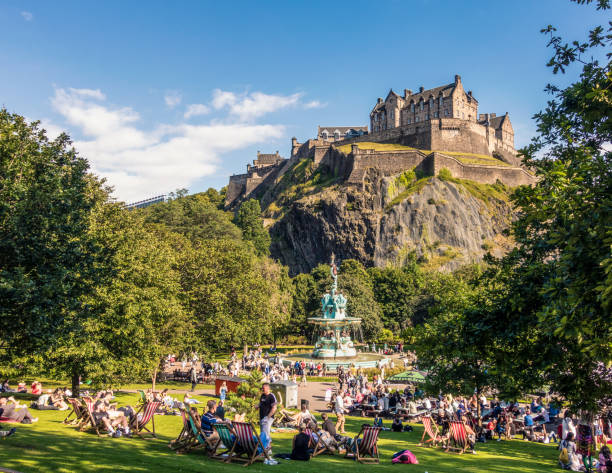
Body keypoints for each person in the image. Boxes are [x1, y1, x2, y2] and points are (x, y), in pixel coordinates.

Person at [257, 383, 277, 452]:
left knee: (266, 433)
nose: (262, 389)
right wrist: (258, 406)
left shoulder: (272, 396)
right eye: (262, 388)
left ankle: (268, 449)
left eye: (263, 388)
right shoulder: (262, 395)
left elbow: (274, 408)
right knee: (263, 433)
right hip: (262, 417)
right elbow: (261, 403)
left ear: (268, 388)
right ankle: (265, 448)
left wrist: (268, 417)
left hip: (268, 418)